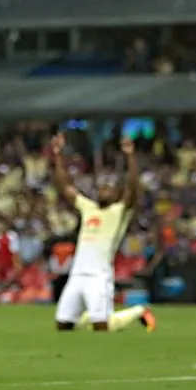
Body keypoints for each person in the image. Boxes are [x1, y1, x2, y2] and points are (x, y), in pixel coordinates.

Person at [50, 133, 156, 332]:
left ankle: (138, 311)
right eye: (101, 188)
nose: (103, 191)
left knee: (101, 325)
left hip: (99, 276)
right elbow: (64, 187)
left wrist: (131, 157)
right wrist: (57, 156)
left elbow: (133, 188)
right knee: (63, 324)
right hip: (77, 274)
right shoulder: (88, 207)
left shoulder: (119, 211)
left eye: (108, 189)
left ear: (116, 194)